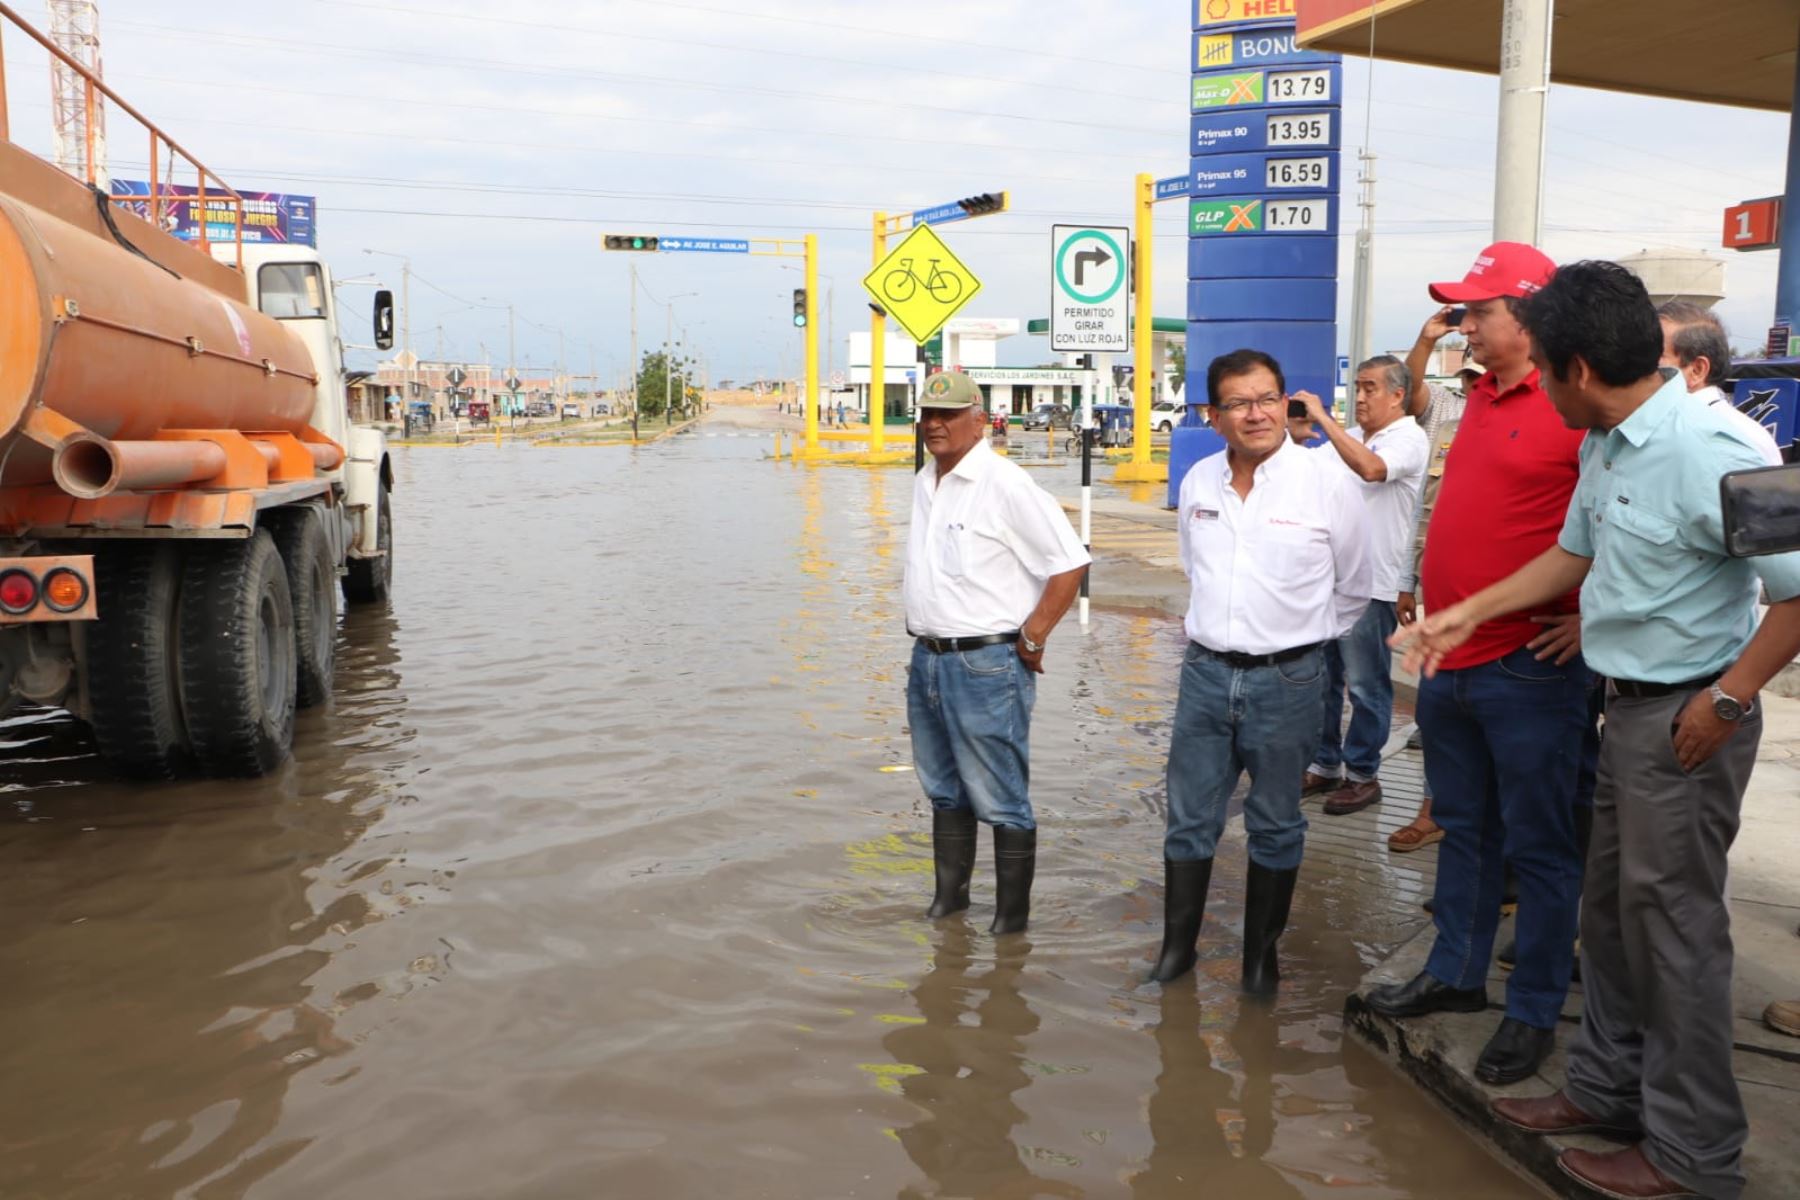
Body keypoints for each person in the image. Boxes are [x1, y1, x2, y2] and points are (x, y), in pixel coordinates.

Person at [1398, 260, 1800, 1200]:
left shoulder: (1722, 447)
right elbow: (1572, 554)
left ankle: (1693, 1155)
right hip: (1624, 708)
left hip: (1692, 716)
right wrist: (1463, 614)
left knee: (1677, 936)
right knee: (1613, 921)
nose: (1534, 383)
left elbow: (1796, 596)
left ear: (1576, 368)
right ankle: (1607, 1091)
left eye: (1541, 362)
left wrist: (1728, 700)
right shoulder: (1608, 441)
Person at [1363, 242, 1591, 1089]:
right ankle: (1455, 975)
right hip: (1449, 662)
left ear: (1526, 316)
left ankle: (1531, 1008)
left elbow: (1617, 525)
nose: (1463, 322)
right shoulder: (1478, 401)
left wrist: (1587, 618)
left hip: (1529, 666)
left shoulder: (1575, 403)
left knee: (1539, 848)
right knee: (1464, 830)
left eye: (1477, 311)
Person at [1149, 349, 1371, 988]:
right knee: (1189, 818)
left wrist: (1297, 639)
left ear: (1286, 402)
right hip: (1205, 675)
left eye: (1268, 399)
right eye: (1239, 403)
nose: (1257, 414)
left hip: (1290, 680)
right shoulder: (1197, 484)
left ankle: (1258, 961)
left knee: (1276, 822)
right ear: (1213, 415)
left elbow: (1354, 586)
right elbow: (1197, 568)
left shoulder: (1327, 481)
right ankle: (1176, 953)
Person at [903, 371, 1090, 935]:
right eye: (927, 414)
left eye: (948, 414)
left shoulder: (1005, 483)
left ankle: (1010, 925)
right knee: (943, 791)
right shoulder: (925, 479)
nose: (934, 424)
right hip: (929, 658)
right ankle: (949, 908)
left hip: (985, 663)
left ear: (979, 420)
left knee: (1001, 799)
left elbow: (1069, 562)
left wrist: (1033, 636)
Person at [1298, 357, 1428, 815]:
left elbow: (1372, 470)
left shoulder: (1409, 438)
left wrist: (1323, 420)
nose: (1360, 397)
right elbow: (1306, 471)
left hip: (1374, 584)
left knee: (1367, 686)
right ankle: (1325, 763)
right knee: (1323, 681)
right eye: (1356, 387)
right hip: (1330, 581)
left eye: (1370, 388)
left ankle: (1363, 774)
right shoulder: (1350, 436)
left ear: (1397, 395)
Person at [1389, 318, 1481, 851]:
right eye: (1468, 377)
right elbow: (1422, 515)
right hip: (1440, 598)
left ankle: (1474, 828)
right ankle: (1434, 810)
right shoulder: (1448, 421)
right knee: (1438, 713)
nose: (1475, 386)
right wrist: (1408, 581)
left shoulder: (1545, 416)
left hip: (1501, 604)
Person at [1658, 301, 1783, 465]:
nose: (1640, 363)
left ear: (1697, 370)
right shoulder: (1658, 427)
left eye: (1656, 354)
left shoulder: (1738, 439)